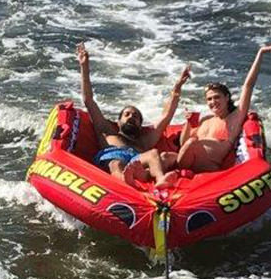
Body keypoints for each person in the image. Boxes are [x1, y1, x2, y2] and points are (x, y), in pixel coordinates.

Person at [76, 42, 190, 187]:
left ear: (140, 124)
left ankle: (160, 180)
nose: (131, 117)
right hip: (113, 158)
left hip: (137, 160)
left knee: (154, 153)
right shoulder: (107, 132)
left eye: (135, 116)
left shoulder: (143, 141)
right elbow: (89, 101)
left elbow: (165, 117)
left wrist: (177, 88)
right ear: (118, 122)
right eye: (127, 114)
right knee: (116, 164)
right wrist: (84, 67)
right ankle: (125, 182)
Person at [175, 43, 271, 173]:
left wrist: (261, 53)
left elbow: (248, 86)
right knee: (170, 153)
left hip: (209, 169)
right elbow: (183, 144)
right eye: (209, 99)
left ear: (227, 98)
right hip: (187, 166)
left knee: (192, 142)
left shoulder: (234, 117)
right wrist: (189, 124)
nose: (213, 102)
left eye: (217, 97)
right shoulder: (205, 120)